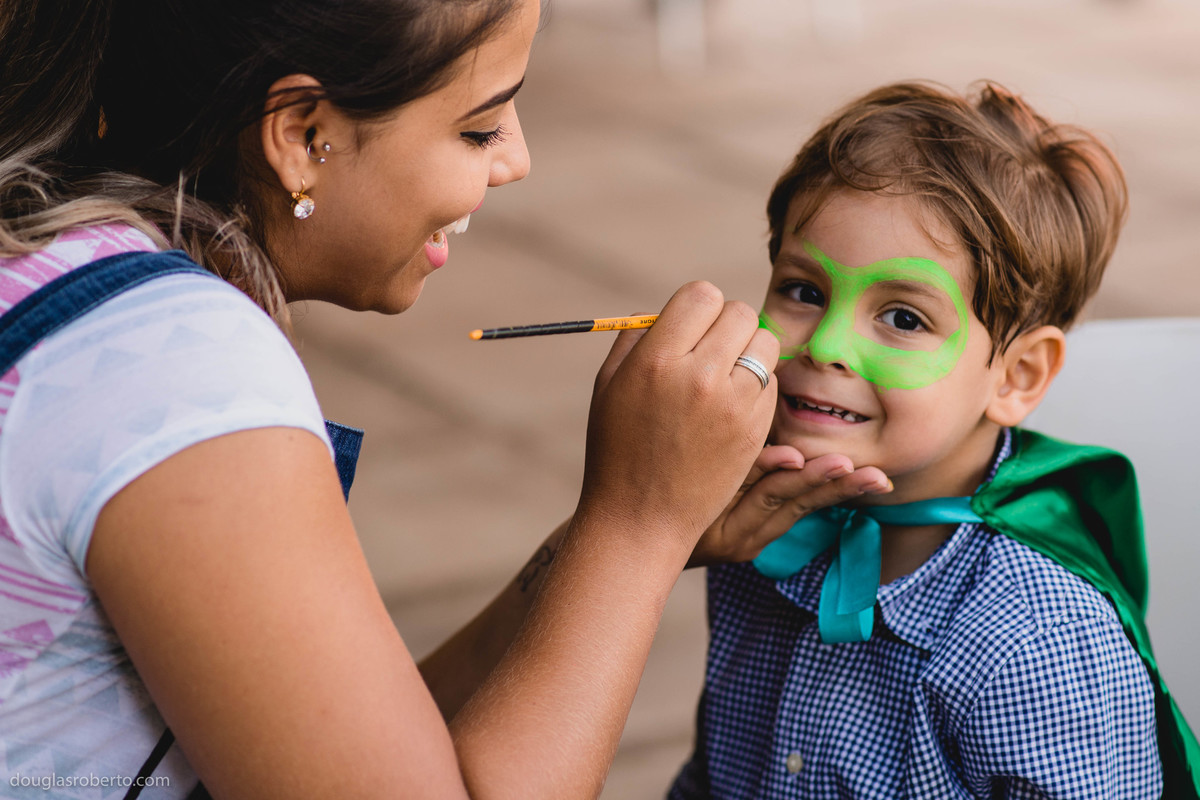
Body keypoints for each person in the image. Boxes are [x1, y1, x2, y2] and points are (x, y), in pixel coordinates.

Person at [0, 1, 895, 798]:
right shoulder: (179, 380)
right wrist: (636, 528)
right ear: (304, 132)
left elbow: (348, 753)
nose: (517, 158)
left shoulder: (71, 262)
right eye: (479, 127)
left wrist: (597, 548)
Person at [669, 81, 1200, 799]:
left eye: (904, 318)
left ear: (1016, 376)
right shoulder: (748, 525)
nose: (826, 346)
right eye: (804, 291)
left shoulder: (1035, 645)